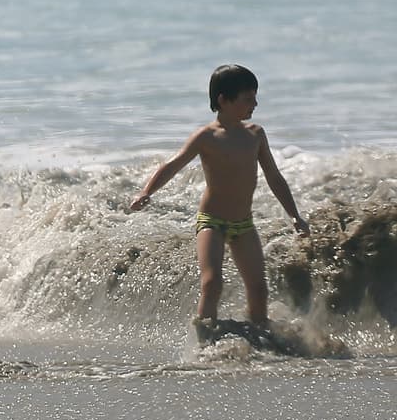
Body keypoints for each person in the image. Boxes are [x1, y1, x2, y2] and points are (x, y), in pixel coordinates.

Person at [130, 64, 310, 343]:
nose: (255, 104)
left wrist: (294, 215)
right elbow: (173, 165)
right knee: (212, 283)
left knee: (258, 289)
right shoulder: (206, 137)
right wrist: (146, 192)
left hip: (244, 223)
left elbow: (274, 177)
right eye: (247, 99)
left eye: (255, 97)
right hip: (211, 222)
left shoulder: (255, 135)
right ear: (223, 100)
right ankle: (204, 345)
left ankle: (261, 342)